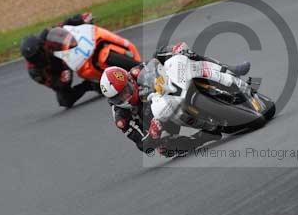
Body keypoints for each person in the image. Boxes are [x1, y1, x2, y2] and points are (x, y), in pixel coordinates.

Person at [100, 42, 251, 155]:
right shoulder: (121, 118)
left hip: (168, 92)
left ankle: (228, 69)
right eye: (119, 98)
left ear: (129, 81)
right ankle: (204, 137)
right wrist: (152, 134)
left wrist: (174, 50)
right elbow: (142, 145)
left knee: (185, 54)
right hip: (158, 121)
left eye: (125, 91)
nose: (125, 97)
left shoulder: (136, 72)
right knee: (164, 149)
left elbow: (156, 63)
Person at [20, 13, 100, 108]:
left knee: (87, 38)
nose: (38, 58)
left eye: (38, 53)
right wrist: (62, 81)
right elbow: (53, 84)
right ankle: (90, 85)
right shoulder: (34, 72)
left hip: (68, 52)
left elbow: (64, 25)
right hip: (61, 71)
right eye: (33, 57)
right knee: (64, 100)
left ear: (41, 45)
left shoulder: (46, 34)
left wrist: (80, 19)